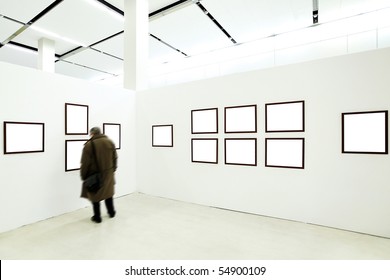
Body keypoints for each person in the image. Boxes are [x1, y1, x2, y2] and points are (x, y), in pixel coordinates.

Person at [80, 127, 118, 223]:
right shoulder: (110, 142)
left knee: (95, 195)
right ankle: (111, 212)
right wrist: (113, 170)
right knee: (108, 193)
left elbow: (85, 163)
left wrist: (83, 175)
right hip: (109, 173)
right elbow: (115, 158)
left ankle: (97, 217)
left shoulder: (89, 145)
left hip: (95, 175)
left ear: (92, 134)